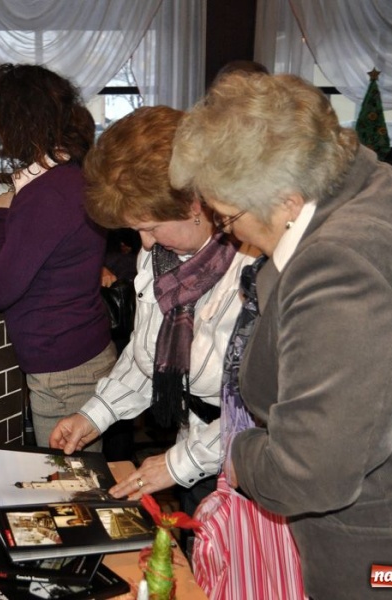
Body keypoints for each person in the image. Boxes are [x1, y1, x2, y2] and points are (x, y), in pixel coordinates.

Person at [170, 72, 392, 599]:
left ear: (286, 200)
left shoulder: (343, 267)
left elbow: (308, 473)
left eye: (227, 216)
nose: (227, 231)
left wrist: (242, 455)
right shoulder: (372, 185)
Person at [48, 106, 257, 511]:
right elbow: (149, 351)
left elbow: (259, 410)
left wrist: (180, 463)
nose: (144, 244)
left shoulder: (252, 265)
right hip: (196, 448)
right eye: (136, 230)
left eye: (149, 227)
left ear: (193, 204)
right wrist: (96, 414)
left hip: (249, 464)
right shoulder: (160, 254)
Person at [0, 63, 115, 449]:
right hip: (83, 351)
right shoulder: (75, 177)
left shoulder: (45, 194)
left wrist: (2, 212)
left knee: (68, 482)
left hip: (63, 367)